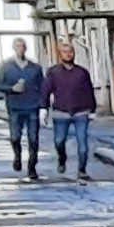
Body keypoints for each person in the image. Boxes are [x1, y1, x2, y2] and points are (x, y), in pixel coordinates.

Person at [43, 42, 100, 179]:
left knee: (83, 144)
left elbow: (89, 91)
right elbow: (45, 91)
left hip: (81, 112)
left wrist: (92, 109)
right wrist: (43, 108)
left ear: (74, 54)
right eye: (65, 52)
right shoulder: (53, 72)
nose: (68, 54)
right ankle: (62, 159)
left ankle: (82, 170)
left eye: (70, 52)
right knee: (59, 141)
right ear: (60, 54)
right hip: (61, 112)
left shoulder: (81, 73)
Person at [0, 38, 48, 179]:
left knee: (33, 139)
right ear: (13, 48)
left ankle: (32, 167)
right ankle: (17, 156)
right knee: (15, 137)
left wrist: (43, 105)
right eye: (17, 46)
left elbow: (42, 87)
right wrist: (11, 88)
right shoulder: (6, 67)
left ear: (26, 48)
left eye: (22, 46)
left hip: (32, 107)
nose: (20, 49)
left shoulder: (35, 68)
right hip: (15, 107)